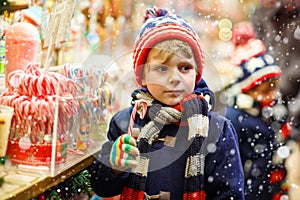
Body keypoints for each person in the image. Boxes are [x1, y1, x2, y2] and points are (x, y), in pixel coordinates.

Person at [89, 7, 245, 200]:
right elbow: (102, 188)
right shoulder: (125, 123)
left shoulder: (216, 129)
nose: (174, 78)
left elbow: (230, 194)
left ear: (196, 73)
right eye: (162, 68)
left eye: (185, 68)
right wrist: (113, 168)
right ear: (142, 76)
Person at [224, 21, 290, 200]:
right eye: (266, 91)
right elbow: (230, 161)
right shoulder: (236, 118)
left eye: (275, 88)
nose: (273, 95)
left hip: (275, 182)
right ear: (248, 90)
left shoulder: (273, 109)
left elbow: (283, 135)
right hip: (251, 190)